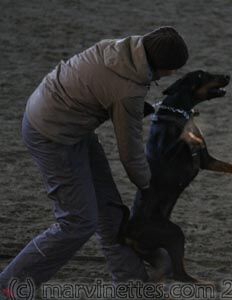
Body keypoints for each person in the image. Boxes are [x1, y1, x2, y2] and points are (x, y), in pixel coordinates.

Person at [0, 26, 189, 296]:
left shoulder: (120, 50)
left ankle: (131, 287)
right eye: (172, 68)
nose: (173, 74)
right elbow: (130, 152)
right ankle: (9, 287)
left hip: (67, 122)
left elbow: (98, 90)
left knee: (109, 212)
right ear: (161, 64)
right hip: (52, 135)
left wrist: (138, 109)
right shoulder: (129, 90)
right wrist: (149, 186)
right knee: (77, 222)